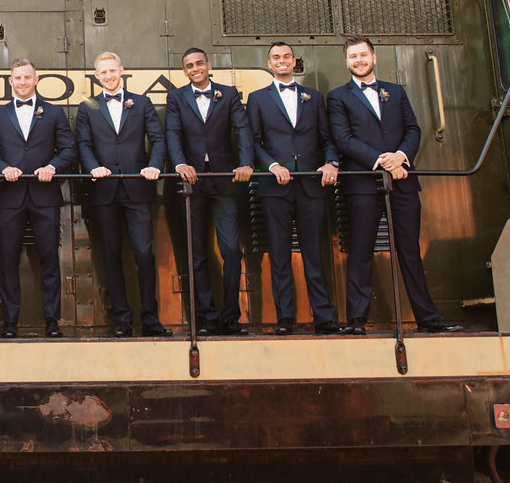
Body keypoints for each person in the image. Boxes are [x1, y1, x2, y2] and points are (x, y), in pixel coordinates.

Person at [327, 36, 461, 335]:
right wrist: (383, 161)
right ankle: (357, 321)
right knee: (360, 251)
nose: (358, 60)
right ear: (347, 62)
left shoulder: (396, 92)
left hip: (403, 182)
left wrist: (401, 157)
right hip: (362, 184)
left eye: (363, 55)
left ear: (374, 58)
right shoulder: (338, 97)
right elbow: (343, 139)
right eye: (352, 56)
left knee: (410, 251)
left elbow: (413, 128)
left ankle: (429, 319)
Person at [246, 41, 341, 335]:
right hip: (275, 187)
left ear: (294, 61)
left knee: (315, 253)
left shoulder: (313, 98)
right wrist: (272, 166)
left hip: (311, 184)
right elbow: (253, 141)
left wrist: (331, 162)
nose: (282, 61)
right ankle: (285, 318)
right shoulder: (257, 98)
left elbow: (326, 138)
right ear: (270, 62)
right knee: (279, 254)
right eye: (276, 57)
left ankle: (324, 318)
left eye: (286, 56)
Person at [74, 51, 167, 337]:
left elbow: (159, 139)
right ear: (96, 76)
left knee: (144, 253)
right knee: (111, 255)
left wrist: (153, 167)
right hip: (103, 190)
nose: (109, 76)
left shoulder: (141, 103)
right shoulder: (86, 107)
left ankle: (151, 319)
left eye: (112, 71)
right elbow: (83, 145)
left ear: (121, 70)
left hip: (137, 188)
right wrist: (93, 168)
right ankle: (122, 321)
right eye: (103, 72)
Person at [164, 47, 255, 336]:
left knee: (230, 250)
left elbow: (241, 129)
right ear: (185, 71)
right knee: (197, 253)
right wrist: (179, 163)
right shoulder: (176, 97)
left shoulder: (228, 94)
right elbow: (172, 133)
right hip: (192, 185)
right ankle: (205, 318)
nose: (195, 69)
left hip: (224, 182)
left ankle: (231, 317)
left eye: (199, 63)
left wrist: (246, 162)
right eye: (189, 65)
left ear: (208, 65)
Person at [0, 58, 76, 337]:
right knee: (8, 259)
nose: (22, 82)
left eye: (27, 77)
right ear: (10, 82)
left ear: (36, 80)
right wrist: (3, 168)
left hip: (45, 195)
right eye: (17, 78)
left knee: (49, 258)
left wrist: (53, 167)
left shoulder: (54, 113)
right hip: (8, 198)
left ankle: (52, 321)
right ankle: (10, 322)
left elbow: (69, 150)